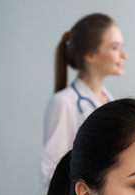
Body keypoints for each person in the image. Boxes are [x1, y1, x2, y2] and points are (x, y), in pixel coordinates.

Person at [40, 13, 127, 185]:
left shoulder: (110, 101)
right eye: (115, 47)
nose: (124, 55)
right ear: (91, 55)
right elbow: (50, 173)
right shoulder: (64, 102)